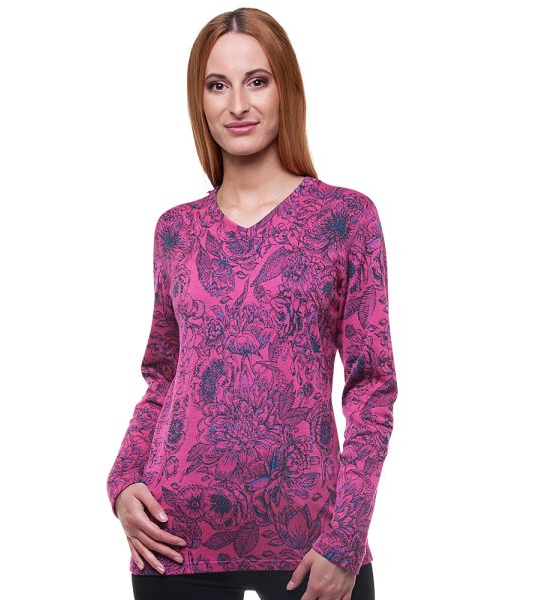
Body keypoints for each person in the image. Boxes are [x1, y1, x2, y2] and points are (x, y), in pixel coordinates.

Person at [107, 7, 398, 600]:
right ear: (200, 101)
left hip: (312, 544)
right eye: (218, 85)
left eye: (256, 81)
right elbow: (163, 377)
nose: (238, 104)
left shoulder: (345, 218)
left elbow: (372, 389)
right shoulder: (175, 230)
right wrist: (121, 481)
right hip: (174, 541)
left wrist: (346, 538)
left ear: (286, 88)